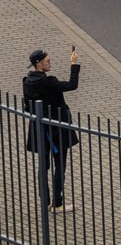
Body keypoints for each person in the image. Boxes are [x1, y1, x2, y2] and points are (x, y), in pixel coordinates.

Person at [23, 48, 80, 212]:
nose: (50, 63)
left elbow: (28, 108)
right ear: (38, 65)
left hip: (39, 130)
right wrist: (74, 64)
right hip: (56, 131)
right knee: (59, 165)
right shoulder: (49, 82)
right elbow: (71, 85)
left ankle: (45, 201)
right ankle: (57, 203)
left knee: (43, 166)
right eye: (47, 61)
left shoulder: (27, 82)